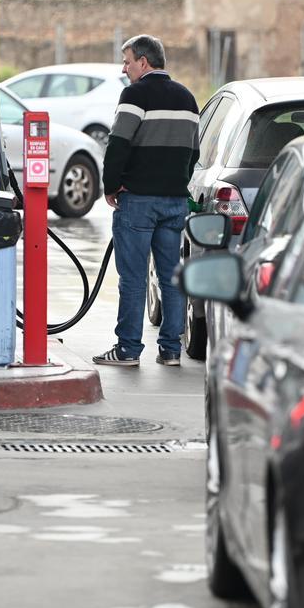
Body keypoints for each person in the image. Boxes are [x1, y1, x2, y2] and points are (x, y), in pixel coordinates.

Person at [94, 34, 199, 367]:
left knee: (134, 278)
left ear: (144, 62)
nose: (124, 68)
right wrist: (176, 182)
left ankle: (127, 350)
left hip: (138, 199)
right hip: (174, 202)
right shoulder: (188, 98)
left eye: (127, 61)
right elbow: (193, 153)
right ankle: (170, 350)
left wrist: (111, 186)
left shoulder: (135, 94)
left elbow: (118, 144)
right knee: (171, 277)